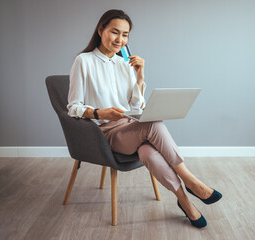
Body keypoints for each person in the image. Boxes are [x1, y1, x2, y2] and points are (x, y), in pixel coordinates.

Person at [67, 9, 222, 228]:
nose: (120, 39)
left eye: (125, 35)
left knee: (147, 152)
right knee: (154, 123)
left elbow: (135, 106)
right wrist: (101, 113)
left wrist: (140, 76)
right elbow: (73, 107)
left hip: (131, 127)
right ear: (101, 29)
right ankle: (190, 180)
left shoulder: (125, 63)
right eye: (115, 32)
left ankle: (184, 201)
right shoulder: (83, 61)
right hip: (107, 133)